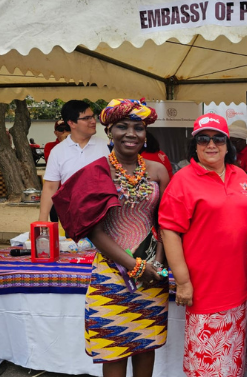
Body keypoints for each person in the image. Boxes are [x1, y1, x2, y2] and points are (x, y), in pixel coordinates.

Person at [52, 98, 171, 377]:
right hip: (111, 274)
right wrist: (134, 266)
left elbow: (165, 223)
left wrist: (157, 266)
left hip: (152, 276)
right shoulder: (97, 172)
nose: (131, 133)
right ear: (110, 131)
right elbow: (93, 229)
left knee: (145, 345)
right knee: (114, 347)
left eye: (138, 127)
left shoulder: (158, 171)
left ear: (146, 133)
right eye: (122, 126)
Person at [159, 113, 247, 377]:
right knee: (208, 365)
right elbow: (169, 232)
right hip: (204, 291)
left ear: (228, 144)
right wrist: (183, 281)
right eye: (203, 139)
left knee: (232, 364)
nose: (211, 145)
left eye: (218, 138)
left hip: (238, 289)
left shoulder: (241, 177)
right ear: (195, 144)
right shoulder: (183, 180)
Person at [38, 100, 109, 222]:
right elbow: (50, 187)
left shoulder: (107, 148)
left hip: (104, 218)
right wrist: (42, 220)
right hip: (73, 220)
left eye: (92, 116)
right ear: (71, 123)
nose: (93, 121)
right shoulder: (58, 151)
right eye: (87, 118)